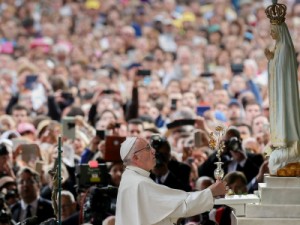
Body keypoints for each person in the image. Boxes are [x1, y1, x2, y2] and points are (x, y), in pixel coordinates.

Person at [115, 137, 227, 225]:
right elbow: (181, 205)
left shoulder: (130, 178)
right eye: (148, 148)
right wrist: (211, 192)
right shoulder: (140, 184)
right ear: (135, 158)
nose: (154, 151)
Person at [264, 1, 300, 174]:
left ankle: (288, 141)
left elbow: (281, 72)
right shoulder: (279, 46)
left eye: (273, 30)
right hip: (278, 90)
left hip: (283, 91)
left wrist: (272, 61)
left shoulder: (284, 47)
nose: (271, 33)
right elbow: (276, 68)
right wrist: (271, 58)